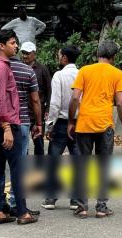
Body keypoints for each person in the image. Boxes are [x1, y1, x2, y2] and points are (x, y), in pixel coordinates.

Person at [0, 40, 43, 217]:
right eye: (13, 43)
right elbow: (5, 98)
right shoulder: (11, 69)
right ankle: (21, 212)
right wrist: (8, 126)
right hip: (13, 122)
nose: (16, 47)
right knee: (17, 167)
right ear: (2, 46)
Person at [67, 39, 122, 219]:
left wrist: (71, 121)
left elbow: (74, 99)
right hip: (105, 125)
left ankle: (82, 207)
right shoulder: (118, 74)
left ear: (98, 54)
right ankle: (101, 207)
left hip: (84, 124)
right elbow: (120, 103)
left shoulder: (84, 71)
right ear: (113, 56)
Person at [42, 45, 81, 210]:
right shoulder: (82, 74)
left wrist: (49, 126)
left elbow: (55, 102)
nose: (58, 58)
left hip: (61, 122)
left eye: (59, 55)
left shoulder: (59, 75)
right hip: (79, 123)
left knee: (53, 160)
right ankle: (76, 199)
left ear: (64, 57)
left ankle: (51, 198)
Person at [21, 41, 51, 157]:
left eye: (27, 53)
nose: (25, 56)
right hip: (23, 112)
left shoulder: (42, 69)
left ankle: (40, 167)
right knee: (23, 142)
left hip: (38, 111)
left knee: (38, 141)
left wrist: (48, 108)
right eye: (23, 53)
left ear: (34, 53)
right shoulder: (20, 67)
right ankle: (23, 167)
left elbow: (49, 89)